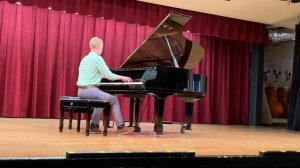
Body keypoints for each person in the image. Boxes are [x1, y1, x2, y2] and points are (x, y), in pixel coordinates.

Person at [77, 37, 134, 134]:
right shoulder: (98, 58)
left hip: (80, 92)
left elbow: (97, 73)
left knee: (102, 99)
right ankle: (121, 127)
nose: (102, 50)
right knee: (114, 99)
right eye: (102, 48)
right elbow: (109, 75)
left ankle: (94, 126)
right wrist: (122, 77)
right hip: (91, 91)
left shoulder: (84, 59)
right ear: (98, 47)